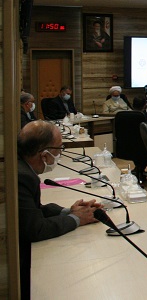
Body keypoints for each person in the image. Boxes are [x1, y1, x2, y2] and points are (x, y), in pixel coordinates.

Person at [18, 121, 102, 299]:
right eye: (59, 148)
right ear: (44, 154)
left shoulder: (22, 168)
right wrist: (76, 219)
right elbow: (36, 229)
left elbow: (35, 210)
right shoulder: (22, 177)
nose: (60, 153)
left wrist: (68, 211)